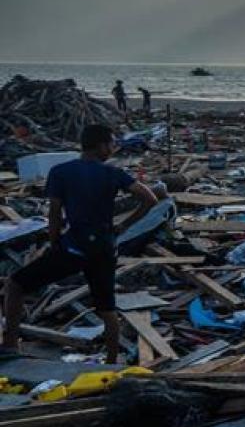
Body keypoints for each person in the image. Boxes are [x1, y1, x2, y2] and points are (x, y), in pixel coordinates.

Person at [3, 124, 158, 364]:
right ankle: (111, 363)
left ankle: (11, 345)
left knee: (15, 285)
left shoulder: (61, 171)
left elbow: (54, 213)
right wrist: (123, 226)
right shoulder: (112, 174)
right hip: (104, 248)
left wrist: (55, 242)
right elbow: (149, 198)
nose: (113, 148)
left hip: (73, 247)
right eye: (112, 143)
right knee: (107, 308)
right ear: (101, 145)